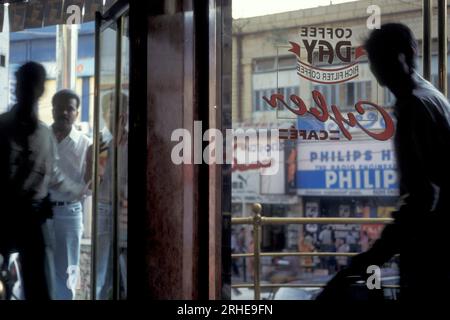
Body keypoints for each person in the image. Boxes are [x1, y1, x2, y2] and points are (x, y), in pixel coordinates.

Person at [318, 23, 450, 301]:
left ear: (409, 52)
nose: (380, 70)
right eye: (376, 60)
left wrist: (370, 258)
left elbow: (422, 198)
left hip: (432, 253)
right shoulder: (433, 97)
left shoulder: (414, 106)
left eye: (384, 58)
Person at [0, 62, 85, 300]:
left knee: (40, 288)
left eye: (32, 85)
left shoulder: (43, 134)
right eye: (23, 85)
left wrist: (76, 190)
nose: (26, 91)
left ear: (39, 91)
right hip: (4, 218)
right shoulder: (3, 127)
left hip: (34, 223)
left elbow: (53, 174)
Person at [48, 89, 92, 300]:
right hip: (41, 214)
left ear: (77, 112)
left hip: (69, 215)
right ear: (52, 109)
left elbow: (91, 186)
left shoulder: (86, 144)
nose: (64, 112)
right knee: (41, 271)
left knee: (67, 274)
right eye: (60, 108)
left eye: (70, 108)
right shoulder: (42, 138)